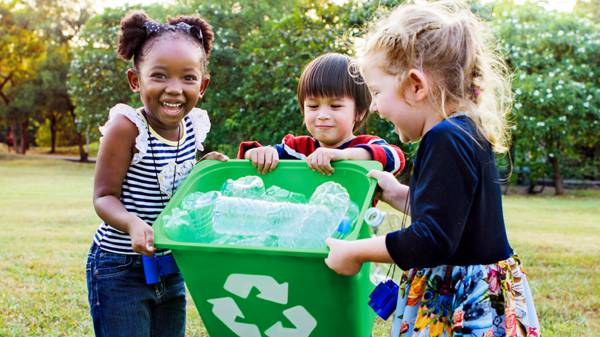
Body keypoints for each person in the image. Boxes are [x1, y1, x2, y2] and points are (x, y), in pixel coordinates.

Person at [324, 2, 540, 337]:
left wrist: (356, 252)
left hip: (464, 304)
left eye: (378, 92)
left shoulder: (444, 139)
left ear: (415, 86)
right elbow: (453, 216)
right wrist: (397, 193)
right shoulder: (464, 130)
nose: (377, 106)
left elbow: (432, 240)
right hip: (481, 294)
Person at [86, 11, 227, 337]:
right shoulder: (126, 127)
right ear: (136, 80)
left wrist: (203, 169)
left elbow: (175, 184)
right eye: (160, 76)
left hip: (170, 265)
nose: (174, 89)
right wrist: (133, 223)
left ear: (202, 85)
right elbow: (103, 196)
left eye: (188, 78)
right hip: (120, 268)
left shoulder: (193, 126)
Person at [237, 53, 405, 177]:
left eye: (335, 106)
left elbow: (396, 159)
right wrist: (257, 154)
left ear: (359, 112)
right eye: (313, 106)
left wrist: (343, 155)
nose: (323, 115)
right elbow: (249, 156)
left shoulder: (367, 145)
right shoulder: (297, 150)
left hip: (354, 225)